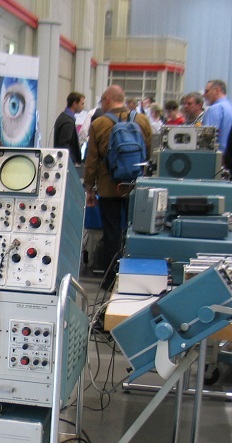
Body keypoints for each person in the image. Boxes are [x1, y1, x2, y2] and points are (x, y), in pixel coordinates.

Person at [84, 85, 152, 290]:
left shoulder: (99, 123)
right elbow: (149, 153)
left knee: (111, 233)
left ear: (106, 100)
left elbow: (92, 160)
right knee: (136, 231)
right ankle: (135, 277)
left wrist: (89, 188)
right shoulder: (142, 120)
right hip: (135, 185)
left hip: (109, 187)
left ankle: (110, 279)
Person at [203, 79, 232, 153]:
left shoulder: (214, 109)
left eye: (207, 91)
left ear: (217, 91)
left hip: (217, 156)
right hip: (231, 154)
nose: (204, 95)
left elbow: (208, 138)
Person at [53, 92, 86, 165]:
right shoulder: (68, 121)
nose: (83, 107)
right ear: (74, 104)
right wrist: (70, 164)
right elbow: (64, 146)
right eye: (82, 104)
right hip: (67, 163)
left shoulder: (64, 117)